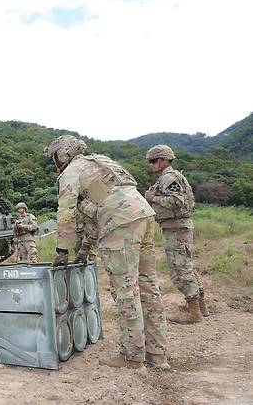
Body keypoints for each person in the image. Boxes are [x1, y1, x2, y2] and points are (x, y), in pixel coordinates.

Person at [44, 135, 169, 370]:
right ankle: (157, 354)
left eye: (54, 157)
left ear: (62, 154)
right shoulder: (100, 162)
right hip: (143, 214)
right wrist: (85, 248)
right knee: (148, 286)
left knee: (125, 290)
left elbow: (66, 213)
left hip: (120, 222)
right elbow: (95, 212)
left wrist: (62, 250)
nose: (54, 163)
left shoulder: (72, 171)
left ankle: (132, 357)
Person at [145, 144, 208, 323]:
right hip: (176, 226)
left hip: (176, 227)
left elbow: (176, 201)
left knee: (179, 268)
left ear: (164, 160)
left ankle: (194, 312)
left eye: (153, 161)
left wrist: (153, 198)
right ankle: (200, 307)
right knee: (186, 265)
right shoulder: (168, 177)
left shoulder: (169, 178)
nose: (151, 164)